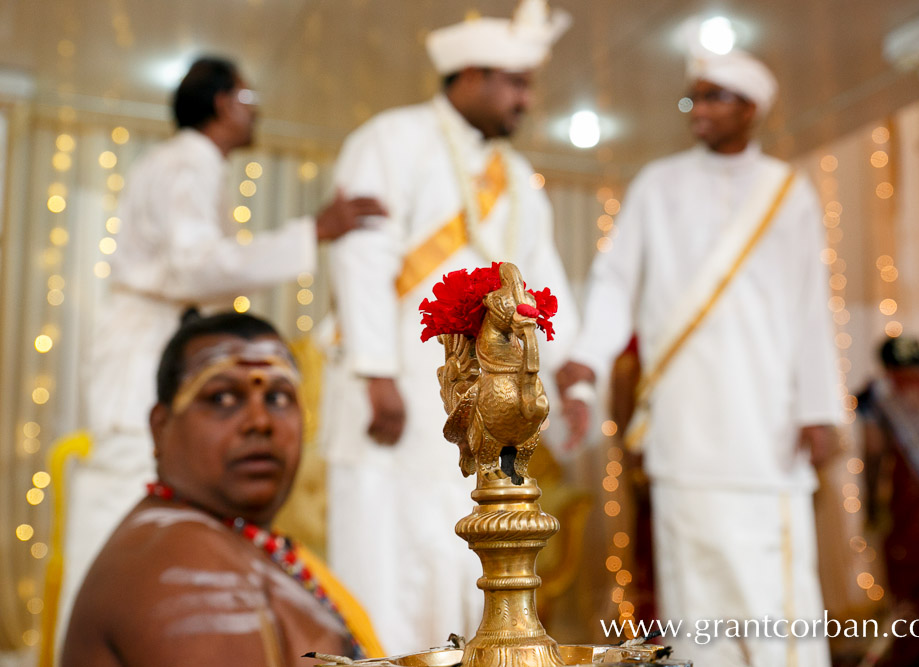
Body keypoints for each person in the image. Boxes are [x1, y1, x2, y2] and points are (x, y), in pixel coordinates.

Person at [61, 56, 386, 642]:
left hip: (152, 339)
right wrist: (311, 231)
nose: (255, 108)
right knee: (125, 498)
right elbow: (194, 265)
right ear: (221, 103)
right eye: (248, 95)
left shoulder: (187, 161)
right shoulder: (190, 160)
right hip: (145, 349)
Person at [557, 49, 841, 666]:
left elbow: (810, 307)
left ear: (753, 109)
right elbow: (615, 281)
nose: (699, 110)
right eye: (694, 97)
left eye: (715, 97)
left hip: (766, 429)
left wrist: (819, 408)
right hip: (685, 431)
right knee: (695, 603)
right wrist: (587, 358)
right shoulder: (658, 184)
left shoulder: (788, 192)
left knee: (774, 601)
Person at [320, 0, 577, 654]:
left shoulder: (520, 177)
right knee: (386, 551)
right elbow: (362, 257)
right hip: (396, 391)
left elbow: (544, 283)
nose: (526, 99)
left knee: (466, 545)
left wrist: (569, 374)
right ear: (471, 74)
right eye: (515, 83)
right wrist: (376, 373)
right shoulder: (391, 138)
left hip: (478, 404)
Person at [61, 311, 383, 666]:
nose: (259, 422)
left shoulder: (235, 540)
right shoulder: (180, 563)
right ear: (160, 427)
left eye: (278, 397)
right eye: (223, 398)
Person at [857, 336, 919, 666]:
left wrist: (870, 504)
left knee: (912, 583)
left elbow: (872, 451)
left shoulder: (879, 392)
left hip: (908, 501)